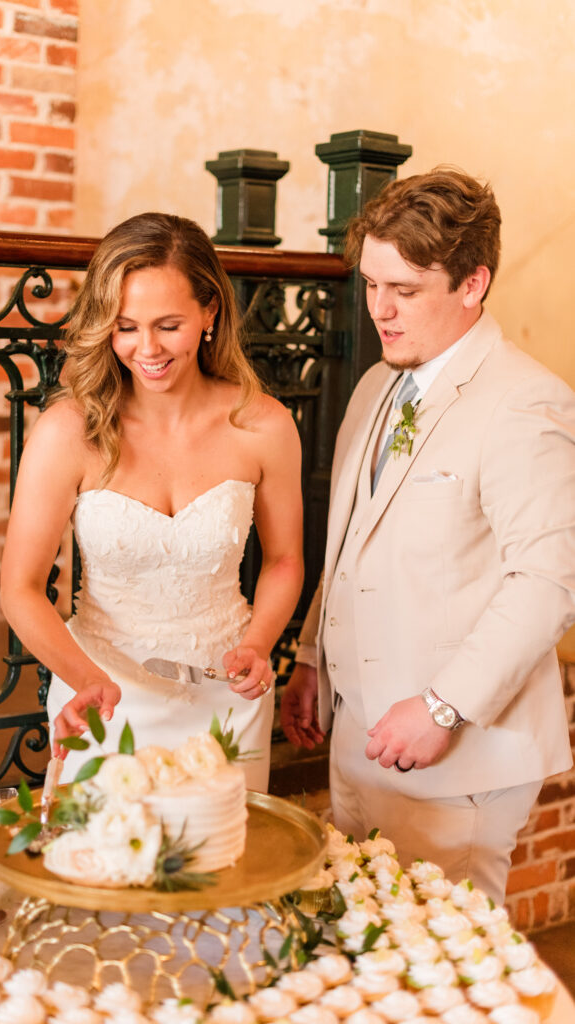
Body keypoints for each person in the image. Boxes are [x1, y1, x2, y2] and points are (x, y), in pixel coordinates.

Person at [280, 168, 575, 902]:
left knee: (446, 979)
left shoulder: (526, 403)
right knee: (371, 956)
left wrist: (444, 707)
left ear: (472, 284)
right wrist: (314, 656)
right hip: (359, 742)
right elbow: (351, 539)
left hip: (457, 760)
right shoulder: (378, 384)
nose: (381, 309)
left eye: (404, 291)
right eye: (372, 285)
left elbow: (549, 581)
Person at [1, 212, 304, 792]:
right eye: (126, 327)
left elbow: (284, 560)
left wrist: (259, 644)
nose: (147, 349)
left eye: (168, 325)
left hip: (226, 698)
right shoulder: (69, 430)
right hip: (102, 697)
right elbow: (19, 588)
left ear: (210, 313)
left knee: (223, 870)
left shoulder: (262, 425)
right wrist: (84, 680)